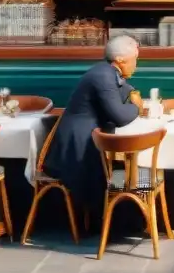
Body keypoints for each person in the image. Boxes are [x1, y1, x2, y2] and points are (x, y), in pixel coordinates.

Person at [43, 36, 144, 204]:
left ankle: (111, 215)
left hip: (90, 142)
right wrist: (137, 107)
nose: (136, 64)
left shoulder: (105, 72)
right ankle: (103, 219)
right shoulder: (103, 76)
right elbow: (119, 117)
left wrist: (132, 97)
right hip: (77, 148)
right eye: (135, 58)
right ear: (120, 59)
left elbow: (124, 93)